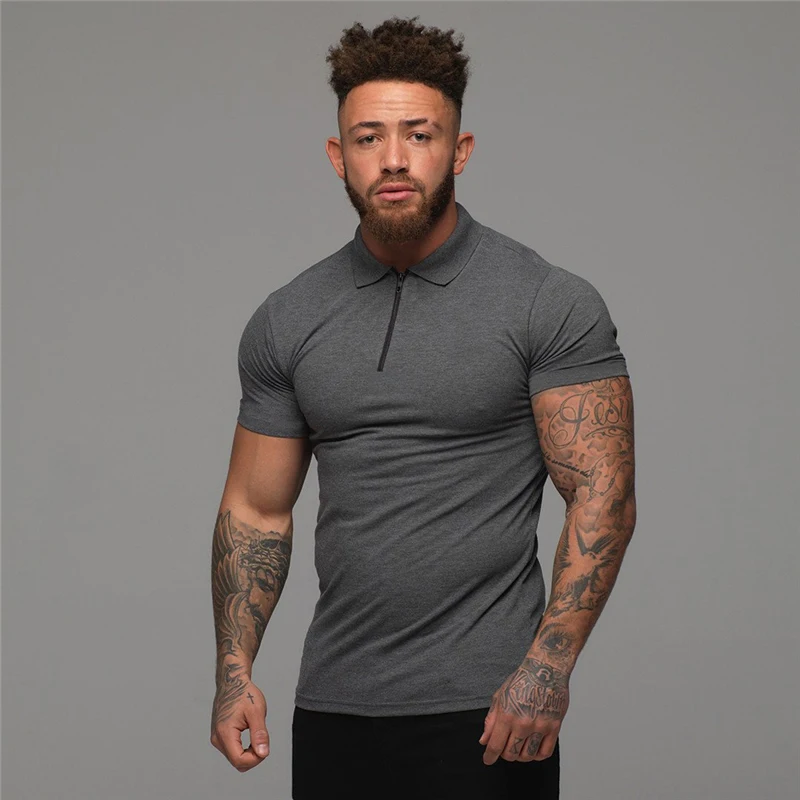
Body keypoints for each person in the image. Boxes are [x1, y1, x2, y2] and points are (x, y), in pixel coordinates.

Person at [210, 15, 636, 800]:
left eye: (419, 134)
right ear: (338, 156)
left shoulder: (546, 301)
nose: (395, 159)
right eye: (369, 138)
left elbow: (601, 493)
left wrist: (546, 670)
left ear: (460, 150)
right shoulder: (288, 317)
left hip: (488, 712)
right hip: (333, 708)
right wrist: (234, 673)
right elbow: (255, 510)